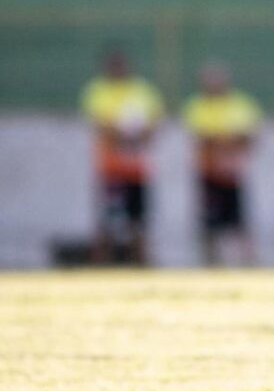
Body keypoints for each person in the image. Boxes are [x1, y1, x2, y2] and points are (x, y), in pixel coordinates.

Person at [79, 49, 164, 265]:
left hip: (137, 169)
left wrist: (136, 135)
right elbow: (99, 125)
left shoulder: (142, 91)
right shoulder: (97, 90)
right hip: (111, 168)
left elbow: (154, 125)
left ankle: (141, 264)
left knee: (139, 221)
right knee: (108, 220)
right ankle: (102, 264)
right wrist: (124, 135)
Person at [183, 62, 262, 266]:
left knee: (239, 222)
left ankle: (249, 262)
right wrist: (226, 142)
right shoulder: (197, 105)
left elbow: (248, 136)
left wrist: (223, 143)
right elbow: (201, 138)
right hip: (208, 172)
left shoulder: (240, 104)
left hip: (232, 173)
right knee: (209, 224)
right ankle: (210, 263)